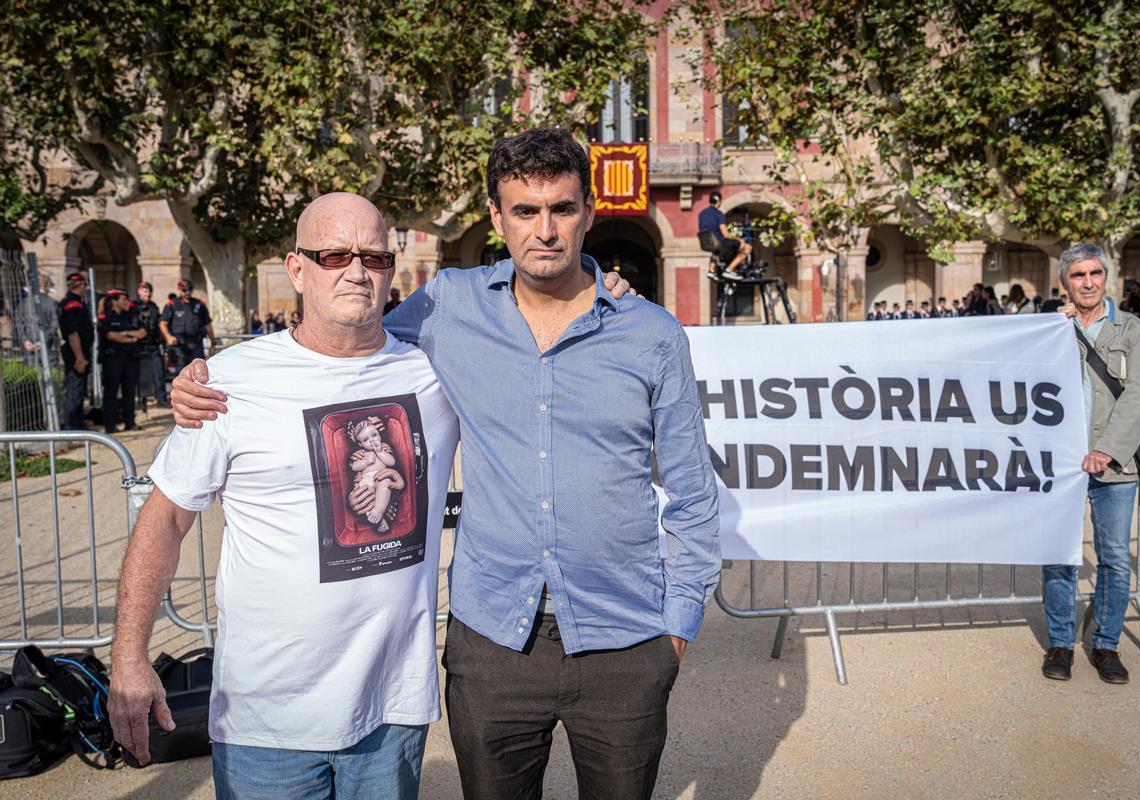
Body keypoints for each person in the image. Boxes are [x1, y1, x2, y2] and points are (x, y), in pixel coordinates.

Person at [171, 129, 719, 800]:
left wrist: (677, 631)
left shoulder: (651, 334)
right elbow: (340, 334)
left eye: (562, 209)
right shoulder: (446, 308)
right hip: (492, 645)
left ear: (589, 212)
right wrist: (215, 373)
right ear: (496, 218)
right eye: (524, 211)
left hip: (627, 643)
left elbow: (693, 495)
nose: (544, 230)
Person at [109, 193, 461, 799]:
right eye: (335, 255)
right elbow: (164, 518)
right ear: (297, 269)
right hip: (265, 719)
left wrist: (603, 285)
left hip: (393, 706)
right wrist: (129, 656)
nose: (357, 271)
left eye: (374, 258)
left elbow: (530, 288)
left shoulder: (435, 371)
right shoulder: (229, 383)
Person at [1041, 243, 1140, 686]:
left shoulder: (1134, 331)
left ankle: (1105, 643)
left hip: (1115, 466)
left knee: (1113, 557)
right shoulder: (1052, 329)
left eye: (1095, 274)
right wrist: (1048, 328)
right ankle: (1059, 643)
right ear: (1064, 282)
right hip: (1063, 466)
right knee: (1059, 557)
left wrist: (1106, 450)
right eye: (1078, 275)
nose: (1088, 282)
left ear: (1105, 278)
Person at [97, 289, 147, 433]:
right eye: (123, 300)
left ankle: (130, 422)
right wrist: (131, 339)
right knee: (111, 393)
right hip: (113, 359)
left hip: (130, 358)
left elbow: (142, 332)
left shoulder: (131, 315)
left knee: (129, 392)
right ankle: (110, 426)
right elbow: (110, 335)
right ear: (114, 301)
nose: (126, 302)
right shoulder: (106, 317)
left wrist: (124, 334)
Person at [57, 271, 94, 429]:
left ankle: (78, 424)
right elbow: (73, 333)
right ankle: (71, 427)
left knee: (79, 389)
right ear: (79, 286)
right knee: (75, 390)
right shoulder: (73, 305)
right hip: (76, 353)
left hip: (78, 352)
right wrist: (79, 357)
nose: (86, 288)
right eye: (84, 285)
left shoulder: (74, 302)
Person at [159, 279, 213, 368]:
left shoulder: (199, 304)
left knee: (198, 370)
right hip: (179, 344)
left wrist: (213, 343)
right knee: (180, 373)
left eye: (190, 290)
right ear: (179, 290)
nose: (187, 292)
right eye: (184, 290)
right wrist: (168, 337)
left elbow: (208, 324)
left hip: (196, 344)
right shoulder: (172, 304)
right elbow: (162, 323)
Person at [698, 190, 752, 275]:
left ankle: (711, 271)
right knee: (747, 247)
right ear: (719, 201)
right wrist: (739, 239)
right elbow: (726, 235)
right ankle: (729, 270)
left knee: (716, 250)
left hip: (707, 243)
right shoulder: (719, 214)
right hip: (719, 243)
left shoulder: (702, 213)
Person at [133, 282, 169, 406]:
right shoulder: (133, 306)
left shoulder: (154, 307)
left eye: (149, 291)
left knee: (159, 373)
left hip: (153, 344)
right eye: (145, 291)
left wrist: (163, 346)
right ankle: (141, 400)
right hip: (138, 345)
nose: (147, 294)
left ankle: (161, 399)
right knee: (140, 375)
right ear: (139, 292)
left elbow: (158, 327)